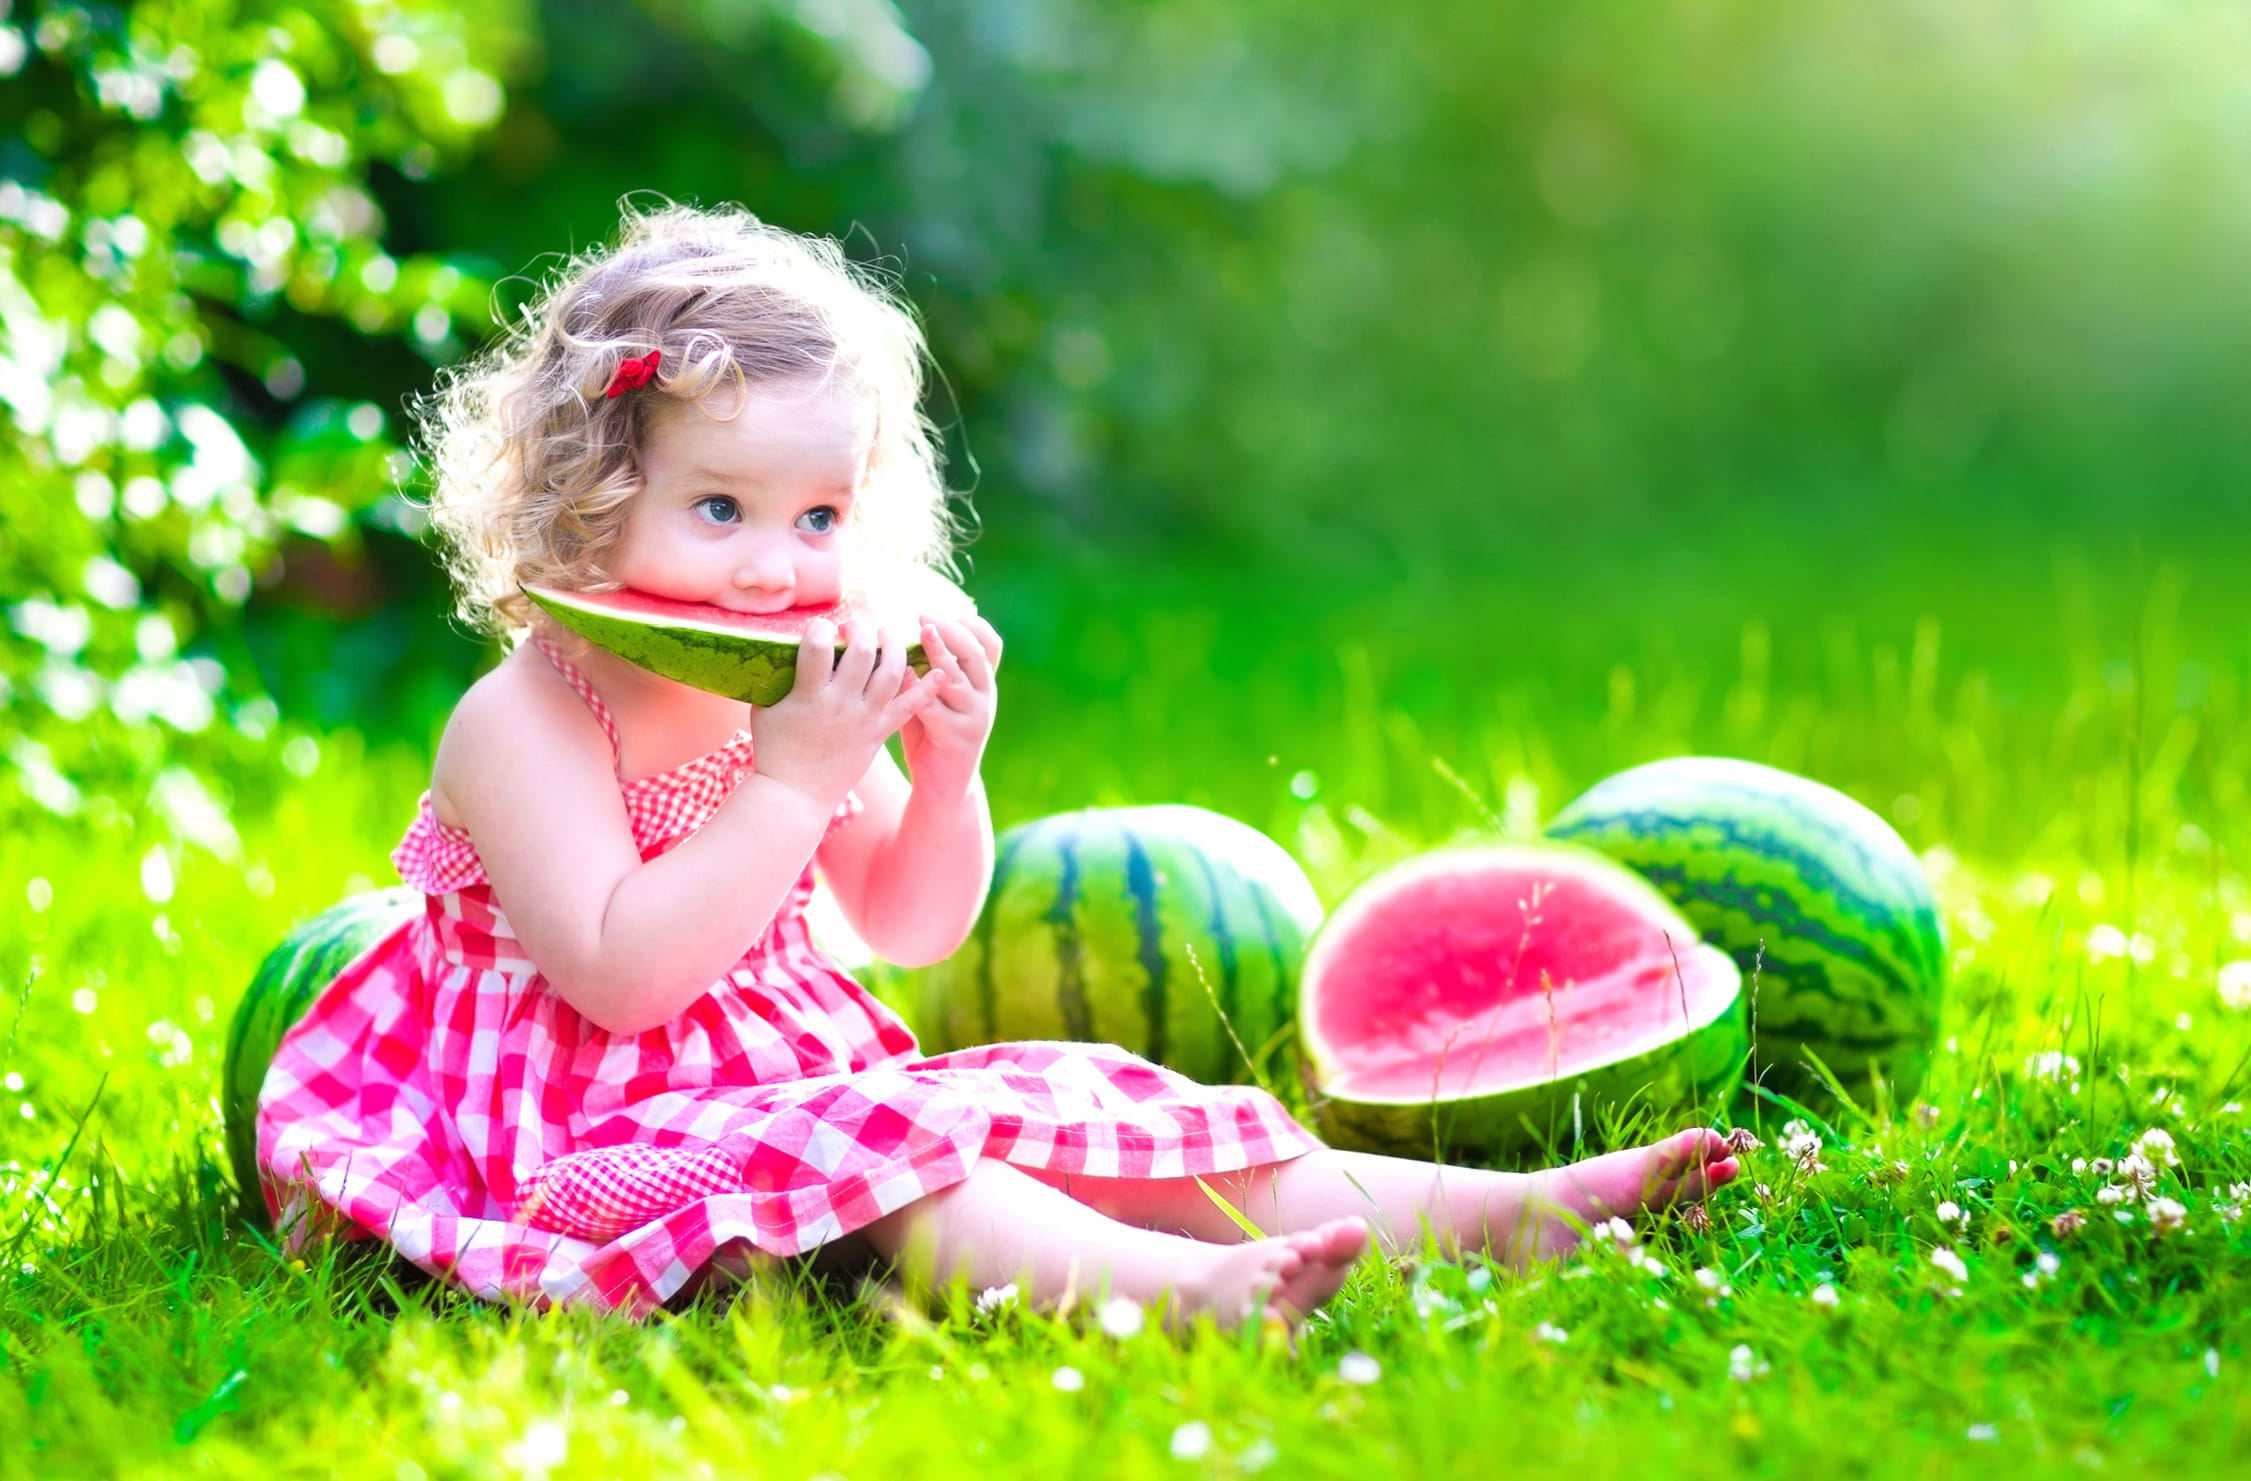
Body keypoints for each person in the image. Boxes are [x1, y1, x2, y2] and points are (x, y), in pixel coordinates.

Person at [256, 201, 1739, 1328]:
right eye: (721, 510)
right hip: (574, 1150)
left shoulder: (792, 687)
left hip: (798, 1093)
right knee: (915, 1164)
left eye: (821, 518)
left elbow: (911, 924)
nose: (779, 570)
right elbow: (622, 977)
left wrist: (942, 772)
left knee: (1087, 1095)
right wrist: (786, 782)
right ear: (591, 495)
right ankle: (1184, 1296)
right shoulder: (524, 719)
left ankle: (1515, 1211)